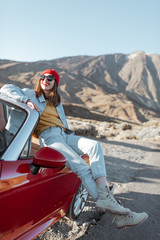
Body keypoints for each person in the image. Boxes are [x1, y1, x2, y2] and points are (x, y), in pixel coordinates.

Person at [0, 69, 148, 229]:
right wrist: (25, 100)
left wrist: (72, 141)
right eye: (42, 77)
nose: (45, 80)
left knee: (95, 146)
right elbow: (6, 88)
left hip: (64, 135)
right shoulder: (31, 94)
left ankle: (105, 196)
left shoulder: (57, 102)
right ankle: (120, 215)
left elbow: (64, 125)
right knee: (82, 167)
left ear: (55, 82)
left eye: (50, 78)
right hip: (49, 137)